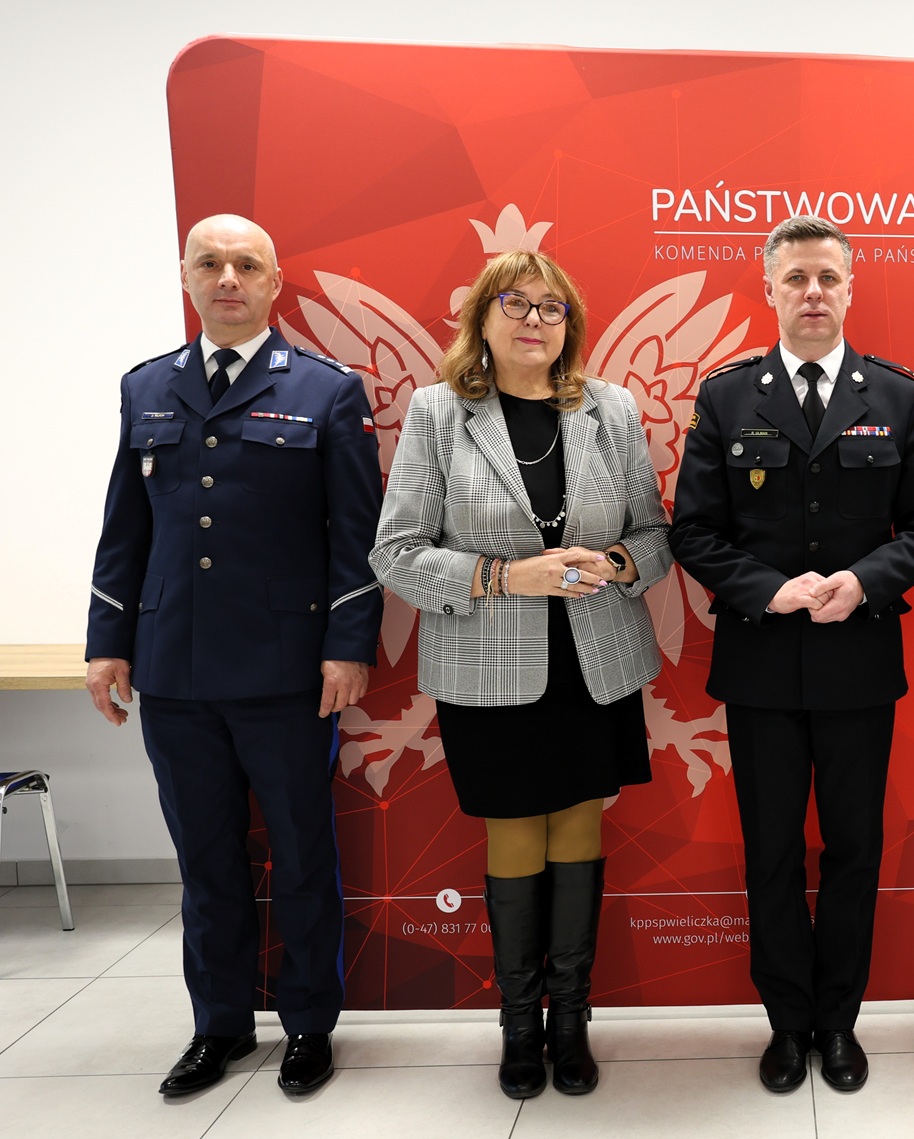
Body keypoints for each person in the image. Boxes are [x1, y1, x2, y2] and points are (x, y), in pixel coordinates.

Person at [84, 214, 383, 1096]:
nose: (227, 278)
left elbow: (355, 535)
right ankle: (218, 1025)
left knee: (301, 853)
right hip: (172, 666)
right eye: (209, 263)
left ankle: (309, 1024)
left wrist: (348, 645)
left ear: (273, 282)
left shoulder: (327, 390)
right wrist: (107, 643)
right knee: (205, 859)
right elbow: (124, 529)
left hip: (287, 669)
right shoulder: (146, 387)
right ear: (186, 276)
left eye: (246, 264)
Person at [369, 249, 670, 1099]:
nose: (534, 319)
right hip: (488, 665)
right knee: (512, 832)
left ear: (569, 324)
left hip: (594, 661)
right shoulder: (437, 412)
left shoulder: (611, 407)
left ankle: (569, 1020)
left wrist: (617, 562)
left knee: (578, 828)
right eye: (515, 303)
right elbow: (395, 553)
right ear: (482, 317)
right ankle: (517, 1024)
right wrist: (505, 576)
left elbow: (654, 534)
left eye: (551, 306)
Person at [669, 216, 914, 1093]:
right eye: (795, 278)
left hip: (858, 661)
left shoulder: (895, 395)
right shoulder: (726, 397)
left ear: (850, 288)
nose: (813, 293)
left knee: (853, 849)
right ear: (770, 290)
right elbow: (693, 531)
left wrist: (864, 580)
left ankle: (839, 1021)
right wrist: (769, 589)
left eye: (827, 277)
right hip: (760, 662)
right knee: (771, 853)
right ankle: (786, 1024)